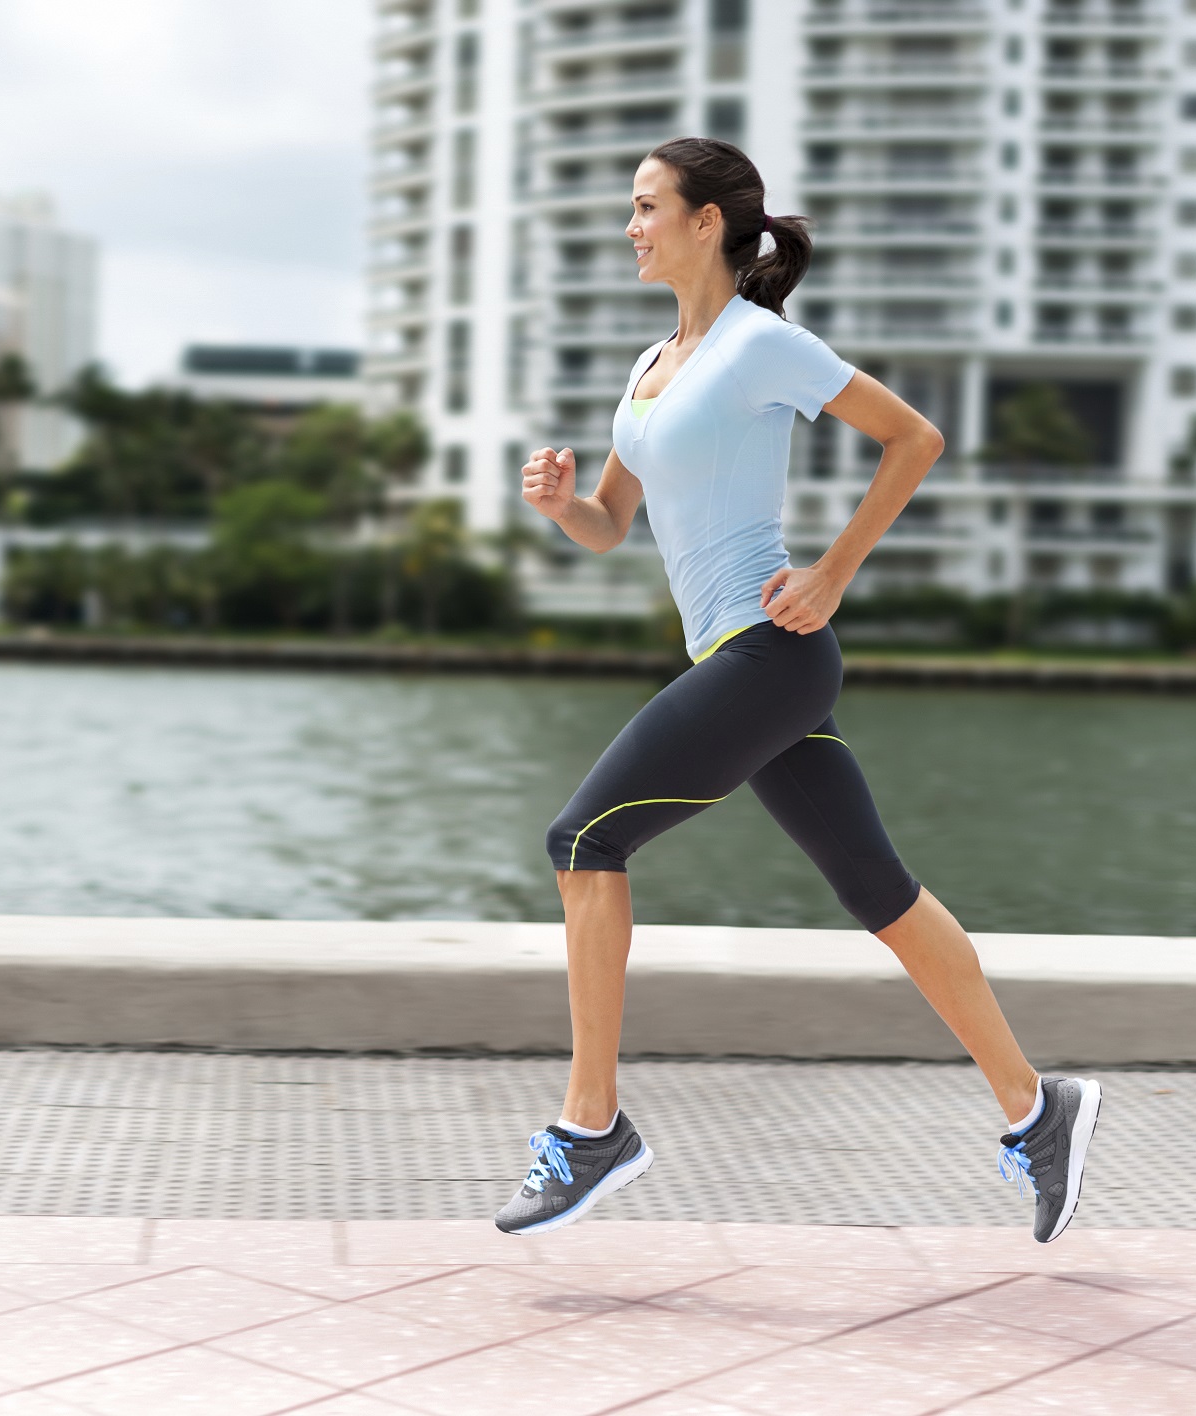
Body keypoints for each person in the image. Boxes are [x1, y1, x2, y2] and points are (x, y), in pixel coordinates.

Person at [493, 138, 1101, 1244]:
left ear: (707, 222)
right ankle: (1035, 1108)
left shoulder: (759, 346)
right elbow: (610, 527)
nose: (629, 225)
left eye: (645, 206)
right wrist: (561, 505)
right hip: (741, 664)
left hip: (767, 655)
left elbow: (912, 438)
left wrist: (831, 570)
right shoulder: (651, 361)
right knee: (881, 893)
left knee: (584, 842)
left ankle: (591, 1132)